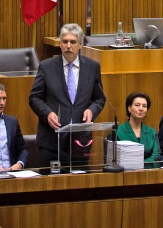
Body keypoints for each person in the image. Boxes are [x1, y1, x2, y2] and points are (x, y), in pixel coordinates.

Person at [29, 23, 106, 170]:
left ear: (80, 44)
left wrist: (92, 110)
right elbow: (34, 98)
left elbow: (99, 98)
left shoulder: (92, 67)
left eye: (73, 42)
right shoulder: (47, 66)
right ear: (60, 44)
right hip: (52, 141)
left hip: (80, 142)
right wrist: (47, 114)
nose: (68, 46)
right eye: (65, 42)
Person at [116, 92, 160, 168]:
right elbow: (114, 158)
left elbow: (156, 156)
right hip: (125, 174)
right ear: (129, 108)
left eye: (144, 106)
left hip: (148, 173)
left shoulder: (152, 132)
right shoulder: (118, 131)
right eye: (137, 105)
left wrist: (139, 166)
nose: (141, 109)